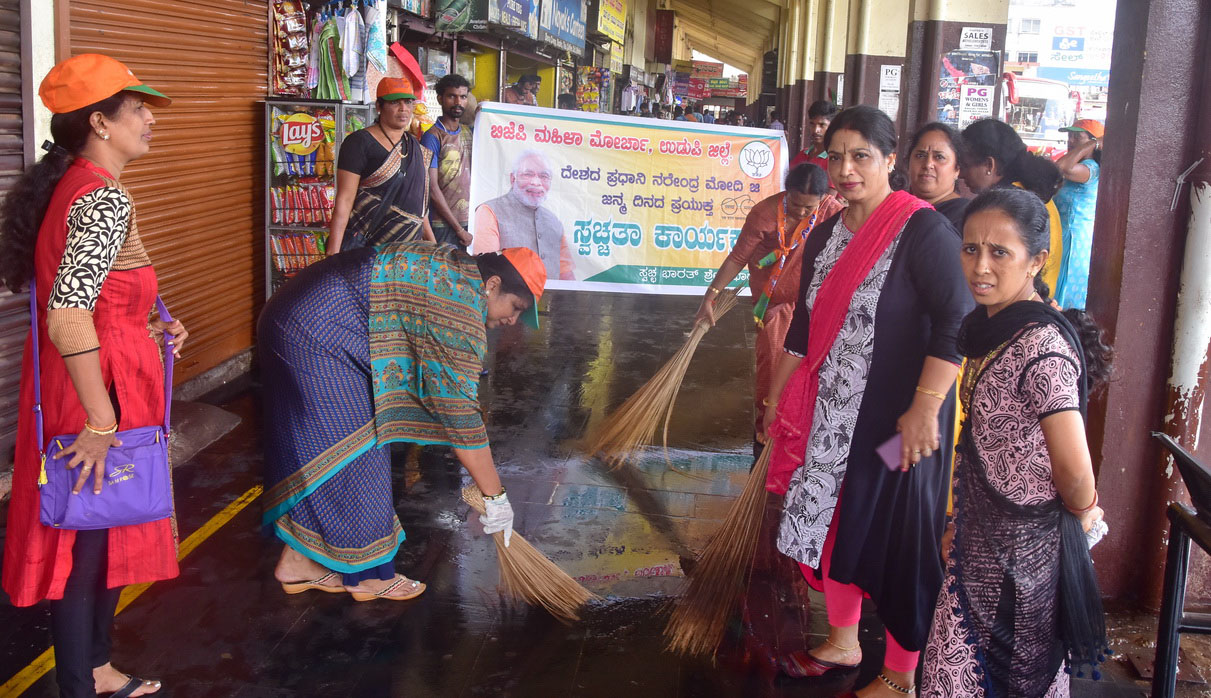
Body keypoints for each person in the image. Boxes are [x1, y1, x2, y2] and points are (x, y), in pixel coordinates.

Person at [762, 105, 973, 696]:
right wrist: (776, 400)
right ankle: (843, 640)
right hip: (832, 418)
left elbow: (954, 322)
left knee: (898, 534)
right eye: (836, 156)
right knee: (833, 523)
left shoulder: (923, 231)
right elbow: (804, 326)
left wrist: (924, 409)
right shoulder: (828, 230)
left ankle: (902, 676)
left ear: (888, 161)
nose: (846, 169)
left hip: (898, 426)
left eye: (861, 156)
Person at [0, 53, 190, 698]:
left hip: (102, 372)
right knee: (85, 539)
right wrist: (101, 420)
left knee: (103, 525)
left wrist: (151, 325)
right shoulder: (99, 198)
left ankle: (100, 669)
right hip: (96, 388)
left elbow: (100, 297)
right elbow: (69, 315)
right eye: (137, 109)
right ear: (100, 123)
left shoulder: (77, 185)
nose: (148, 120)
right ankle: (77, 685)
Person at [262, 242, 545, 600]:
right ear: (491, 285)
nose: (512, 320)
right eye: (515, 307)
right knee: (357, 449)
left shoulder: (459, 273)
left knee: (335, 447)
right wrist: (496, 497)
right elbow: (462, 419)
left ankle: (297, 562)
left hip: (310, 316)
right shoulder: (458, 305)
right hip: (315, 330)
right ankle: (369, 578)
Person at [921, 187, 1111, 697]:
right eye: (970, 248)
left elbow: (1074, 473)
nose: (980, 266)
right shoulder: (990, 328)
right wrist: (963, 523)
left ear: (1037, 261)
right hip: (982, 547)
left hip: (1025, 563)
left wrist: (1087, 511)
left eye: (999, 252)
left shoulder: (1039, 349)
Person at [695, 163, 842, 445]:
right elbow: (738, 258)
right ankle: (766, 426)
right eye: (795, 204)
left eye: (808, 208)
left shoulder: (832, 213)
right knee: (773, 366)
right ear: (787, 192)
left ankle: (798, 426)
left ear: (823, 199)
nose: (800, 212)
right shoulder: (764, 213)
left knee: (811, 369)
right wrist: (710, 297)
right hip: (774, 304)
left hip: (814, 304)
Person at [329, 76, 436, 253]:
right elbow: (344, 200)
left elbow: (420, 209)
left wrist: (433, 246)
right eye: (395, 103)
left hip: (408, 254)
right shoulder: (359, 143)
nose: (403, 109)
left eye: (408, 103)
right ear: (379, 107)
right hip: (368, 252)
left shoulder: (415, 146)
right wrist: (332, 254)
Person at [960, 118, 1064, 297]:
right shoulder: (1027, 192)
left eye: (965, 166)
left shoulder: (1007, 205)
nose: (960, 174)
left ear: (989, 165)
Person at [472, 149, 574, 280]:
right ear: (513, 178)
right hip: (508, 299)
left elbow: (567, 275)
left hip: (551, 299)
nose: (536, 183)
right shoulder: (490, 211)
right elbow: (486, 270)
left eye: (544, 176)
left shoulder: (554, 221)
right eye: (528, 174)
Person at [1052, 119, 1103, 309]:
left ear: (1092, 141)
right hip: (1063, 234)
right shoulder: (1081, 165)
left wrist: (1093, 144)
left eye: (1077, 136)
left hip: (1074, 239)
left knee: (1066, 292)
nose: (1070, 140)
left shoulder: (1091, 169)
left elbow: (1061, 167)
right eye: (1069, 135)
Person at [419, 74, 474, 248]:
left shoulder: (469, 132)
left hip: (470, 221)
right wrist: (458, 229)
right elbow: (432, 187)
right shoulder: (432, 137)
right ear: (440, 99)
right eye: (452, 96)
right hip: (443, 224)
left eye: (463, 97)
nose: (458, 102)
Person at [906, 122, 968, 228]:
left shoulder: (965, 217)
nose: (928, 164)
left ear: (957, 169)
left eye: (939, 157)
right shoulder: (899, 209)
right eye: (920, 155)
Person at [789, 100, 838, 169]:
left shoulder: (835, 161)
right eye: (812, 124)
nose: (815, 130)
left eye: (822, 125)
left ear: (832, 126)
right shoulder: (803, 154)